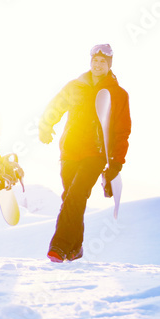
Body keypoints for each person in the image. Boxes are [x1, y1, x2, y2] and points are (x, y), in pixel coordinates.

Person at [39, 44, 130, 262]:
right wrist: (45, 126)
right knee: (71, 199)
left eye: (103, 62)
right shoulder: (74, 86)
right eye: (95, 60)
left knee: (76, 196)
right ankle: (76, 248)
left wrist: (116, 162)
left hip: (96, 153)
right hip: (69, 150)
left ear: (109, 65)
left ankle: (58, 247)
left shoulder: (118, 94)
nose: (98, 65)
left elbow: (122, 130)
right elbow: (55, 106)